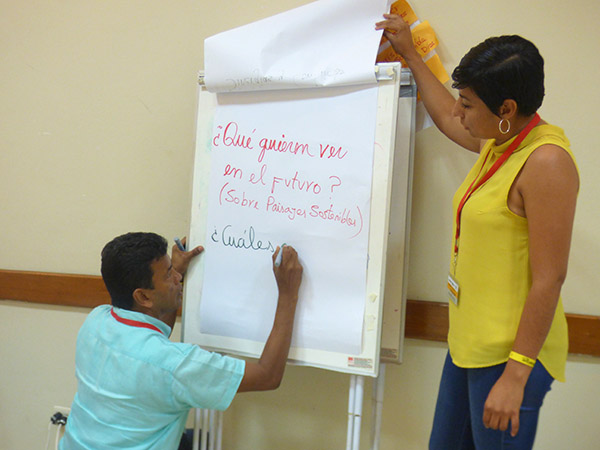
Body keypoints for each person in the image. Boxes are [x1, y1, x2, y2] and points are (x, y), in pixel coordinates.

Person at [376, 14, 579, 450]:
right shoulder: (502, 143)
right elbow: (449, 123)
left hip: (510, 358)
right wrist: (411, 54)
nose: (457, 112)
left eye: (467, 103)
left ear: (506, 110)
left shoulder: (546, 162)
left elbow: (550, 279)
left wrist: (517, 374)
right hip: (468, 347)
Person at [59, 232, 303, 449]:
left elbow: (155, 335)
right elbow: (268, 375)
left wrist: (178, 271)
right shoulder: (175, 365)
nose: (177, 277)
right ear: (143, 296)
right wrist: (288, 293)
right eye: (168, 274)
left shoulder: (97, 321)